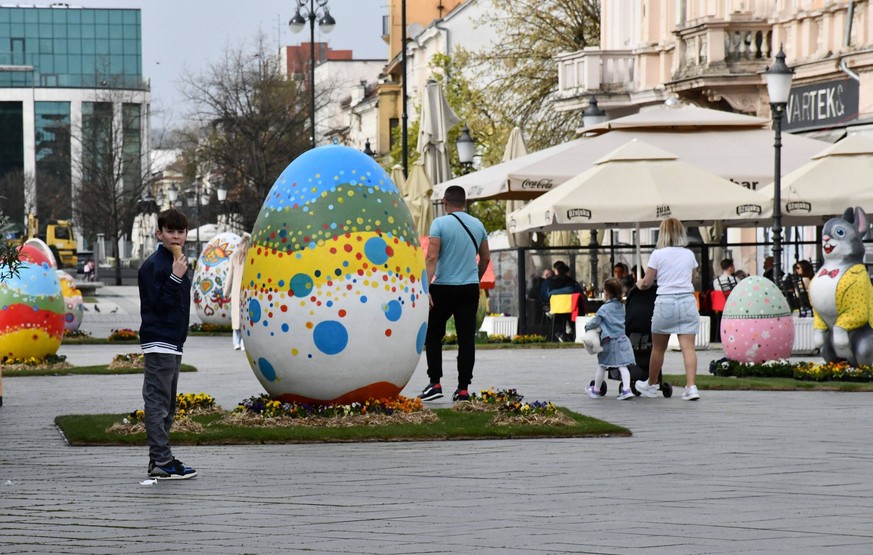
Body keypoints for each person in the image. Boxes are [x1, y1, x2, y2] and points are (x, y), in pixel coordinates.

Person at [137, 208, 197, 480]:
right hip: (158, 342)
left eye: (180, 231)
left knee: (168, 406)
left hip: (173, 342)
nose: (175, 236)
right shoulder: (154, 266)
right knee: (158, 404)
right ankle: (162, 460)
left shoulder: (180, 263)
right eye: (170, 231)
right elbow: (156, 306)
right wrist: (175, 277)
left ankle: (159, 460)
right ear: (158, 232)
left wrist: (178, 273)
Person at [419, 185, 490, 403]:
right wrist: (475, 279)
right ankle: (462, 389)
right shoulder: (478, 225)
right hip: (469, 288)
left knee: (433, 335)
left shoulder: (440, 223)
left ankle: (435, 383)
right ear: (465, 202)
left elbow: (431, 258)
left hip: (443, 288)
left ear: (445, 202)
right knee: (466, 339)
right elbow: (486, 258)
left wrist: (426, 288)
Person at [634, 217, 700, 401]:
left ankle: (652, 384)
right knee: (688, 348)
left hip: (666, 302)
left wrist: (639, 284)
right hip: (687, 301)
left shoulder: (658, 254)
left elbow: (647, 282)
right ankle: (691, 387)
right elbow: (693, 278)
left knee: (658, 348)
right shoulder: (689, 255)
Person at [583, 277, 636, 400]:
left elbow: (595, 321)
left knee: (602, 365)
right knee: (623, 366)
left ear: (607, 292)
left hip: (609, 341)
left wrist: (587, 327)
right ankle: (627, 389)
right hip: (622, 340)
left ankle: (596, 390)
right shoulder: (622, 306)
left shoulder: (604, 308)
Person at [543, 260, 585, 341]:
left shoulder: (548, 282)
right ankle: (570, 334)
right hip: (571, 310)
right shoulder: (571, 281)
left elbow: (544, 295)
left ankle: (560, 333)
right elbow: (579, 294)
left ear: (555, 270)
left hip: (554, 310)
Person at [222, 232, 251, 350]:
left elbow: (229, 276)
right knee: (245, 316)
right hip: (247, 290)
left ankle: (236, 342)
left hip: (236, 290)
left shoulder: (234, 257)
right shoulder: (250, 257)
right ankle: (244, 342)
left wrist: (226, 292)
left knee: (236, 316)